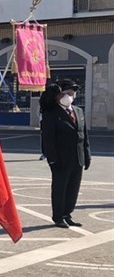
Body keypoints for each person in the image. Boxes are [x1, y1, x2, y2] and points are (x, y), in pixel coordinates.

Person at [41, 79, 91, 228]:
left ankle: (67, 213)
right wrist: (52, 159)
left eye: (73, 93)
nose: (70, 96)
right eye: (67, 93)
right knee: (60, 188)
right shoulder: (51, 113)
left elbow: (84, 136)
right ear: (58, 95)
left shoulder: (79, 111)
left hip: (78, 157)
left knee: (73, 188)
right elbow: (48, 139)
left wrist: (87, 155)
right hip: (61, 159)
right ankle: (58, 216)